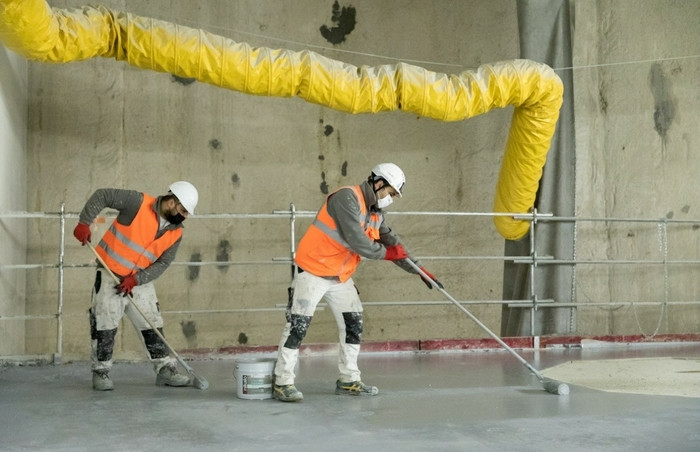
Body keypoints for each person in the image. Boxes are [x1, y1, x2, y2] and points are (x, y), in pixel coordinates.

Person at [272, 163, 442, 402]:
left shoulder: (375, 212)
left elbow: (393, 243)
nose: (390, 199)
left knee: (353, 322)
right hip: (313, 270)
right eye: (391, 193)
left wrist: (419, 269)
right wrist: (388, 254)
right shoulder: (346, 198)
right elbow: (358, 241)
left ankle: (349, 380)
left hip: (339, 276)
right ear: (379, 182)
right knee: (297, 326)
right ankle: (282, 382)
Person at [72, 181, 199, 391]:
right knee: (105, 323)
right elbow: (102, 195)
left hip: (138, 281)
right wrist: (85, 222)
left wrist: (137, 280)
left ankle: (165, 370)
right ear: (172, 201)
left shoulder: (175, 233)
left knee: (152, 323)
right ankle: (101, 372)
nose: (184, 216)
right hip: (109, 274)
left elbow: (164, 263)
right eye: (183, 210)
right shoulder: (137, 203)